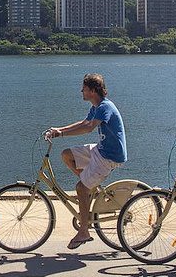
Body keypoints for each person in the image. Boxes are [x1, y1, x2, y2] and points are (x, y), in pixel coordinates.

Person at [46, 73, 127, 249]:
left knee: (80, 188)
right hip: (101, 150)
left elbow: (88, 128)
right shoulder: (96, 106)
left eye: (83, 88)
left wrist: (61, 134)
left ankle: (84, 231)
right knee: (67, 155)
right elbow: (84, 122)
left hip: (109, 156)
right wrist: (59, 129)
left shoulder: (105, 106)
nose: (81, 91)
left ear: (92, 90)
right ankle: (90, 187)